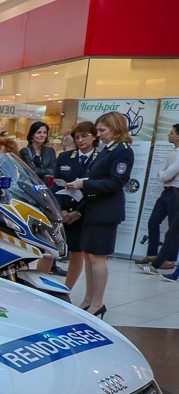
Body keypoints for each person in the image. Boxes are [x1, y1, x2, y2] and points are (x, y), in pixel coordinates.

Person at [65, 112, 134, 317]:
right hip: (95, 208)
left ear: (116, 128)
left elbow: (115, 182)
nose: (99, 134)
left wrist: (84, 184)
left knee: (97, 257)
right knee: (88, 255)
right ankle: (89, 298)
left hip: (106, 211)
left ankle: (97, 302)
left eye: (103, 130)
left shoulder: (122, 151)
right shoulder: (108, 149)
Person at [53, 121, 97, 291]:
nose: (80, 140)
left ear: (94, 137)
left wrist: (78, 212)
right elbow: (56, 185)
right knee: (51, 249)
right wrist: (61, 209)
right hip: (61, 210)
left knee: (77, 252)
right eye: (77, 137)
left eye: (85, 136)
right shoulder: (65, 157)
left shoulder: (99, 159)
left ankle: (66, 290)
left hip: (83, 211)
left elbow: (97, 188)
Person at [141, 124, 179, 274]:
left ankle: (169, 260)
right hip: (166, 191)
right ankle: (152, 254)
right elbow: (161, 173)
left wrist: (164, 175)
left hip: (176, 193)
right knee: (153, 221)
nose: (169, 135)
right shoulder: (172, 152)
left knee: (173, 228)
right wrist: (164, 175)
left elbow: (168, 173)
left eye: (172, 133)